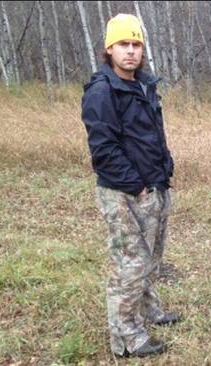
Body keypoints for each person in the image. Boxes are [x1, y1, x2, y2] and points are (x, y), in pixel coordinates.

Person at [81, 13, 179, 358]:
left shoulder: (145, 85)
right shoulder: (102, 92)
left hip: (156, 185)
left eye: (136, 44)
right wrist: (136, 187)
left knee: (151, 258)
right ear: (109, 49)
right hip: (125, 192)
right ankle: (127, 337)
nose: (131, 51)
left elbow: (153, 135)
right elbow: (103, 149)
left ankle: (150, 311)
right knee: (129, 265)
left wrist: (165, 171)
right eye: (124, 44)